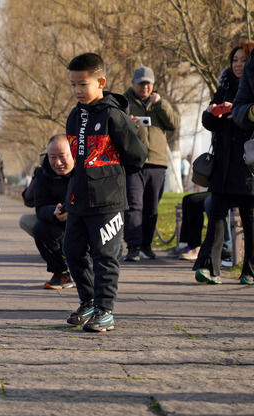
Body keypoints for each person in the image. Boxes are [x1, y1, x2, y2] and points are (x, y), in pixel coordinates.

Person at [64, 53, 148, 332]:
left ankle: (105, 309)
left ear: (100, 82)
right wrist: (67, 199)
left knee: (105, 255)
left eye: (83, 84)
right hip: (78, 200)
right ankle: (88, 301)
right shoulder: (74, 116)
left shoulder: (114, 115)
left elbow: (137, 156)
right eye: (73, 85)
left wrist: (109, 177)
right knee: (72, 251)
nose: (77, 90)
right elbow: (76, 162)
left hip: (107, 201)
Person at [197, 43, 254, 284]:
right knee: (216, 214)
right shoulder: (223, 87)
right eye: (235, 60)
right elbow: (208, 122)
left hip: (247, 166)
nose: (238, 64)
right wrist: (213, 113)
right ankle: (209, 267)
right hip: (223, 165)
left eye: (243, 59)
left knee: (250, 220)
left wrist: (239, 112)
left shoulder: (250, 87)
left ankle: (249, 271)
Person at [122, 66, 181, 261]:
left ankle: (146, 245)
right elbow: (114, 126)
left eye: (148, 84)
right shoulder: (124, 102)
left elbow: (174, 124)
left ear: (153, 85)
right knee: (134, 205)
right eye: (141, 84)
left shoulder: (160, 103)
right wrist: (127, 123)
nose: (144, 87)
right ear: (133, 84)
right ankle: (133, 247)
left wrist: (161, 104)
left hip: (157, 163)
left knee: (152, 207)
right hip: (133, 163)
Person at [28, 134, 75, 289]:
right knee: (40, 229)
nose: (58, 162)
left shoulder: (86, 170)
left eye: (62, 156)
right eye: (52, 157)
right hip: (58, 222)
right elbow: (39, 207)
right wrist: (53, 213)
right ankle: (61, 272)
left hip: (83, 220)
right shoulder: (42, 173)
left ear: (73, 153)